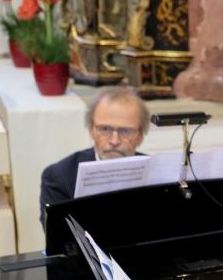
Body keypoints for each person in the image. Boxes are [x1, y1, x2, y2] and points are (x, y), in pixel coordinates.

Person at [39, 86, 150, 225]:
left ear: (140, 136)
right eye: (105, 129)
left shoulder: (158, 175)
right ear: (92, 130)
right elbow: (59, 239)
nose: (114, 141)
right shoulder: (59, 177)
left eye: (125, 131)